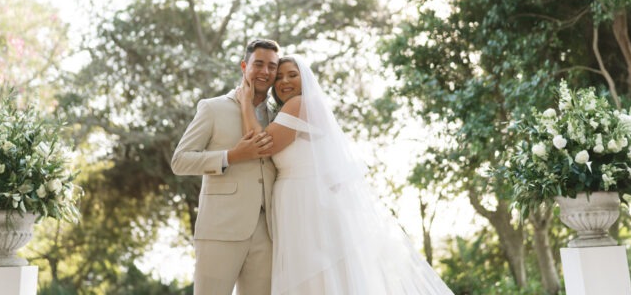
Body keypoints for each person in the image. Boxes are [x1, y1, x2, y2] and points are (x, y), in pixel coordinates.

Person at [236, 55, 454, 295]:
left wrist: (245, 101)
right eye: (279, 77)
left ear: (305, 79)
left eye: (292, 75)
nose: (284, 81)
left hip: (306, 202)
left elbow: (261, 145)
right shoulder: (295, 110)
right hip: (297, 200)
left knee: (313, 275)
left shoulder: (300, 104)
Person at [171, 39, 281, 295]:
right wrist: (231, 156)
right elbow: (180, 160)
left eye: (272, 66)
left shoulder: (279, 116)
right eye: (258, 64)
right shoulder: (213, 108)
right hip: (220, 228)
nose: (265, 72)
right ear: (244, 66)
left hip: (268, 232)